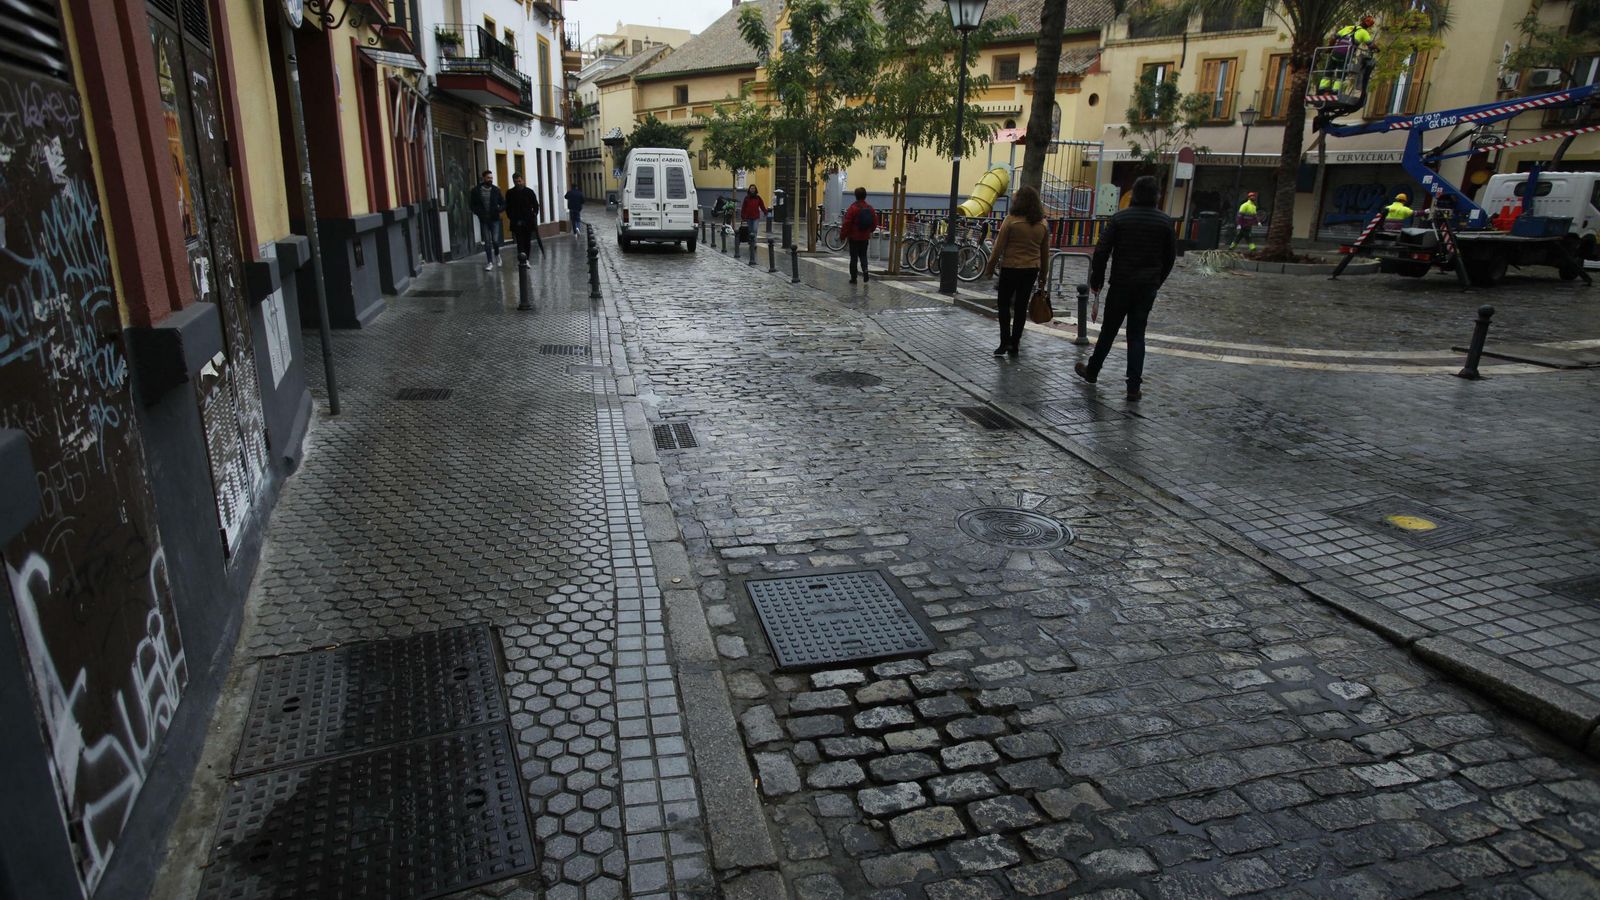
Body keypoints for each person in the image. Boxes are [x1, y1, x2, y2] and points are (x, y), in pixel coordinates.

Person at [1075, 175, 1176, 402]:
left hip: (1121, 283)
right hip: (1147, 287)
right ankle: (1133, 387)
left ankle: (1093, 371)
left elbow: (1101, 251)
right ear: (1156, 196)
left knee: (1109, 331)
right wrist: (1157, 281)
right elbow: (1170, 258)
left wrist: (1096, 279)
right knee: (1137, 335)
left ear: (1134, 194)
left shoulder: (1120, 219)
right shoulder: (1165, 222)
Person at [980, 185, 1051, 358]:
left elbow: (998, 248)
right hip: (1031, 270)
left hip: (1011, 267)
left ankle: (1004, 342)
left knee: (1004, 304)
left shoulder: (1011, 220)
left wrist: (989, 268)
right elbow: (1045, 253)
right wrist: (1043, 276)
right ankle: (1015, 343)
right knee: (1021, 307)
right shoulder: (1042, 224)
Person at [1321, 15, 1375, 91]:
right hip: (1345, 55)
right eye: (1370, 23)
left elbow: (1333, 39)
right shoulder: (1364, 32)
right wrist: (1377, 49)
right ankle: (1335, 91)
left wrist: (1329, 49)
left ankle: (1323, 89)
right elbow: (1371, 45)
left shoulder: (1348, 28)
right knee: (1341, 73)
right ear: (1369, 25)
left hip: (1335, 52)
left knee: (1329, 70)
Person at [469, 170, 506, 270]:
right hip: (484, 219)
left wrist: (499, 209)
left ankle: (497, 255)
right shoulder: (476, 191)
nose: (490, 180)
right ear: (483, 178)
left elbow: (503, 203)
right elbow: (472, 205)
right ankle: (489, 262)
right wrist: (479, 213)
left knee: (495, 240)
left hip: (495, 219)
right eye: (488, 178)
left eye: (491, 178)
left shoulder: (496, 190)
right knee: (487, 241)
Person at [841, 187, 878, 283]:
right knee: (863, 255)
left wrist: (843, 235)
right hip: (865, 237)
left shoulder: (853, 208)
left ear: (856, 196)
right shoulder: (870, 208)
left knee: (854, 257)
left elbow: (847, 223)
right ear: (865, 196)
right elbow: (874, 223)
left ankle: (854, 278)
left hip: (854, 237)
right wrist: (870, 231)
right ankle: (865, 271)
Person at [505, 172, 544, 260]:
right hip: (516, 221)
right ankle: (522, 259)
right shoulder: (510, 193)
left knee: (527, 241)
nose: (518, 183)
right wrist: (511, 217)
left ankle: (527, 259)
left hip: (528, 221)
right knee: (519, 242)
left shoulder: (529, 192)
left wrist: (534, 214)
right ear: (513, 182)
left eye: (519, 181)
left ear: (522, 180)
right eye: (516, 182)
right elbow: (508, 207)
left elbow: (535, 204)